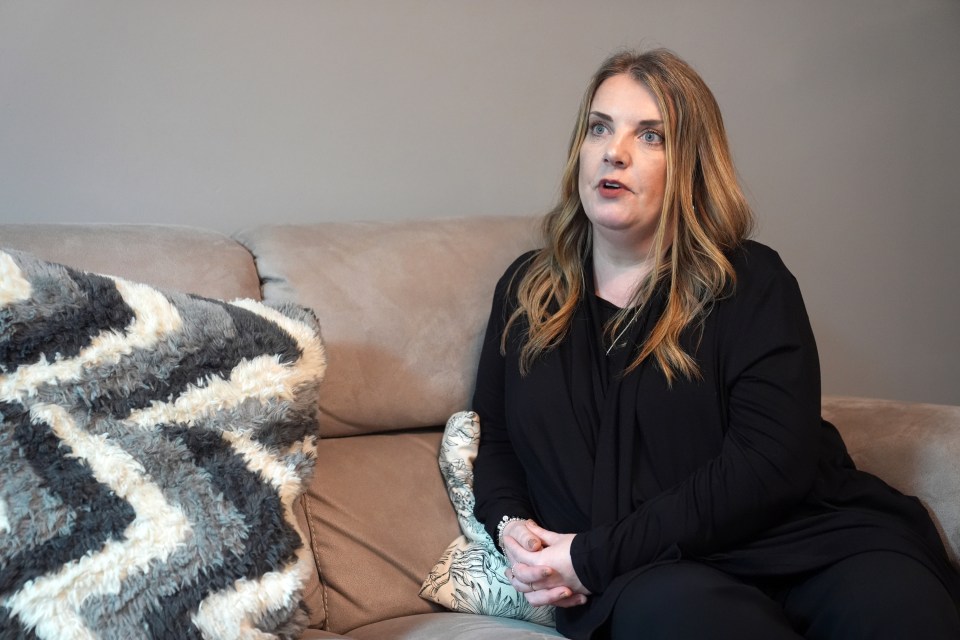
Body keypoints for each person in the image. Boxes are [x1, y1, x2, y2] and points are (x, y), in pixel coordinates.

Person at [471, 48, 960, 640]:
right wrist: (513, 529)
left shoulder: (751, 281)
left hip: (804, 539)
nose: (613, 151)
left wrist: (587, 556)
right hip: (651, 573)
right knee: (690, 619)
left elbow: (769, 464)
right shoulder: (528, 293)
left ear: (692, 164)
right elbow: (493, 438)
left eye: (651, 136)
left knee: (899, 609)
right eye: (599, 127)